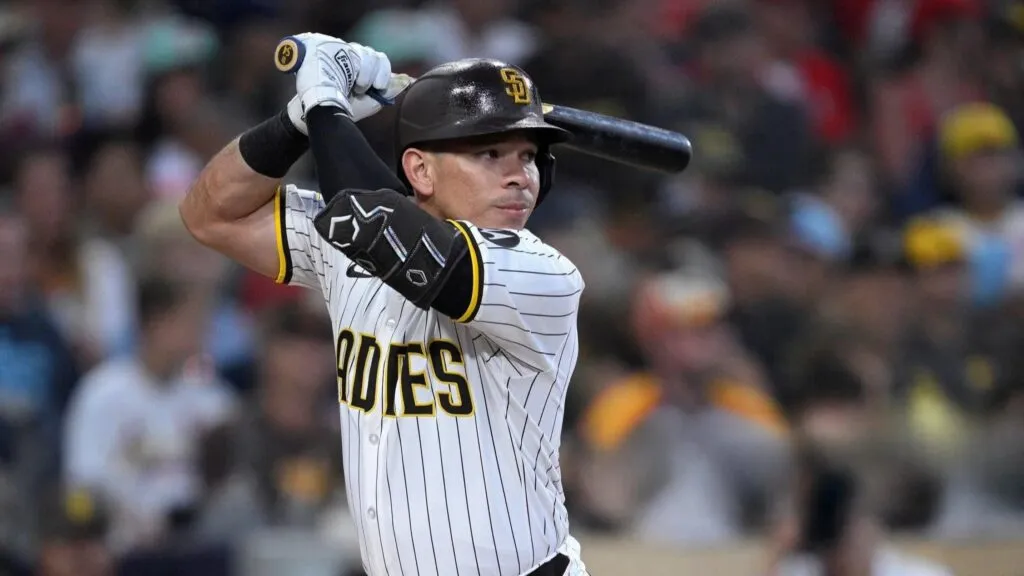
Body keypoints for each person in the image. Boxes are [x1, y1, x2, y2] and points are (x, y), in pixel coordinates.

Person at [179, 33, 589, 576]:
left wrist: (328, 107)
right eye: (490, 152)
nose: (520, 176)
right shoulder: (349, 244)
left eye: (529, 156)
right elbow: (210, 212)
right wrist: (295, 121)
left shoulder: (542, 275)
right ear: (420, 170)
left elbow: (379, 227)